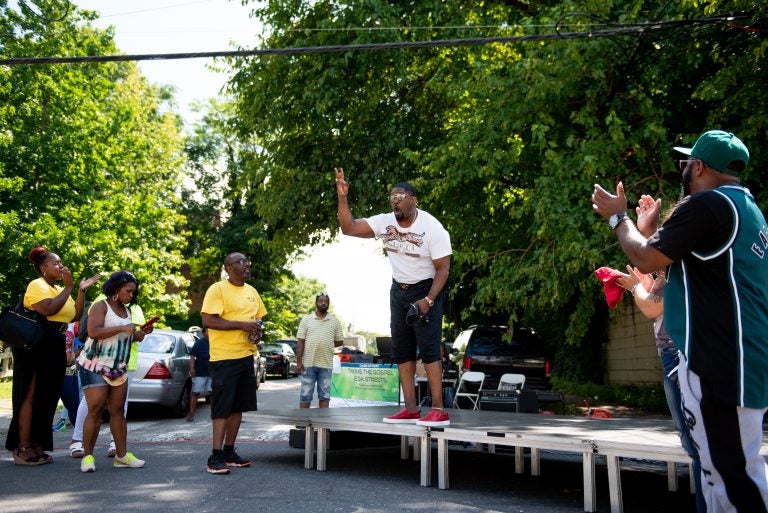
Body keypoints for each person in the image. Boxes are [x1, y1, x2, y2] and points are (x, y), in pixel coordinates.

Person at [592, 130, 768, 512]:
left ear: (700, 167)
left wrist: (618, 218)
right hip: (739, 361)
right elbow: (678, 257)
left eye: (686, 163)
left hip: (718, 363)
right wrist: (651, 231)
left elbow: (646, 259)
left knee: (732, 478)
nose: (683, 169)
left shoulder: (708, 205)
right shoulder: (745, 208)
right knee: (723, 474)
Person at [609, 193, 705, 513]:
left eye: (666, 227)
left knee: (696, 448)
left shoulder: (685, 263)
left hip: (679, 361)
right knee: (698, 447)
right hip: (680, 358)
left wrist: (633, 285)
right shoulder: (684, 260)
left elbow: (652, 307)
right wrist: (645, 231)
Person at [335, 167, 452, 427]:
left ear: (414, 200)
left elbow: (443, 268)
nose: (395, 200)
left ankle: (438, 409)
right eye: (392, 197)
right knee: (402, 350)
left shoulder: (432, 227)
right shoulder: (386, 221)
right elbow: (349, 228)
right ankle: (411, 408)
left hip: (426, 288)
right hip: (399, 290)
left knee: (430, 349)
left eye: (400, 196)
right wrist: (343, 197)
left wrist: (429, 300)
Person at [5, 247, 100, 465]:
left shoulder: (57, 289)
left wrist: (80, 291)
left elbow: (74, 315)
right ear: (43, 267)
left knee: (46, 396)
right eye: (55, 263)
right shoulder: (37, 285)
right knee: (29, 394)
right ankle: (23, 446)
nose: (61, 266)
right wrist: (68, 286)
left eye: (60, 262)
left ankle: (37, 443)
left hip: (55, 343)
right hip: (36, 344)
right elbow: (47, 309)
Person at [77, 270, 149, 472]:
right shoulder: (101, 306)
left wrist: (139, 334)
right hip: (95, 365)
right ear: (116, 289)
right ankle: (88, 457)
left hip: (119, 367)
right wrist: (122, 329)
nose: (131, 295)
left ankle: (122, 455)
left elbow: (128, 335)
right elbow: (93, 332)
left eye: (134, 292)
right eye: (128, 291)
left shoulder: (128, 311)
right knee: (96, 410)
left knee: (118, 411)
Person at [201, 252, 266, 475]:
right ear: (229, 267)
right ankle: (215, 456)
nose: (247, 264)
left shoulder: (252, 292)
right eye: (241, 261)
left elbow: (258, 320)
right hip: (224, 357)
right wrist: (241, 325)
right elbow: (208, 320)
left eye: (247, 260)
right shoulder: (218, 289)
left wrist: (257, 332)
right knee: (222, 408)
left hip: (246, 355)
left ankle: (229, 451)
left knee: (238, 407)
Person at [296, 292, 344, 408]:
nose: (323, 303)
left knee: (324, 396)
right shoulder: (306, 320)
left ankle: (323, 424)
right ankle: (303, 423)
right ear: (316, 303)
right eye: (321, 301)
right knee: (305, 395)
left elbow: (340, 341)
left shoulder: (334, 321)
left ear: (329, 304)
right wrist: (299, 362)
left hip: (326, 365)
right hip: (308, 364)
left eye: (326, 302)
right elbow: (300, 341)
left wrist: (326, 341)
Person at [187, 327, 212, 421]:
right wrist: (192, 368)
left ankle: (214, 415)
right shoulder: (199, 342)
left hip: (213, 373)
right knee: (195, 392)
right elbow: (192, 355)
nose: (209, 333)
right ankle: (191, 414)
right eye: (207, 331)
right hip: (200, 372)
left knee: (212, 393)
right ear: (203, 333)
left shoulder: (216, 342)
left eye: (211, 331)